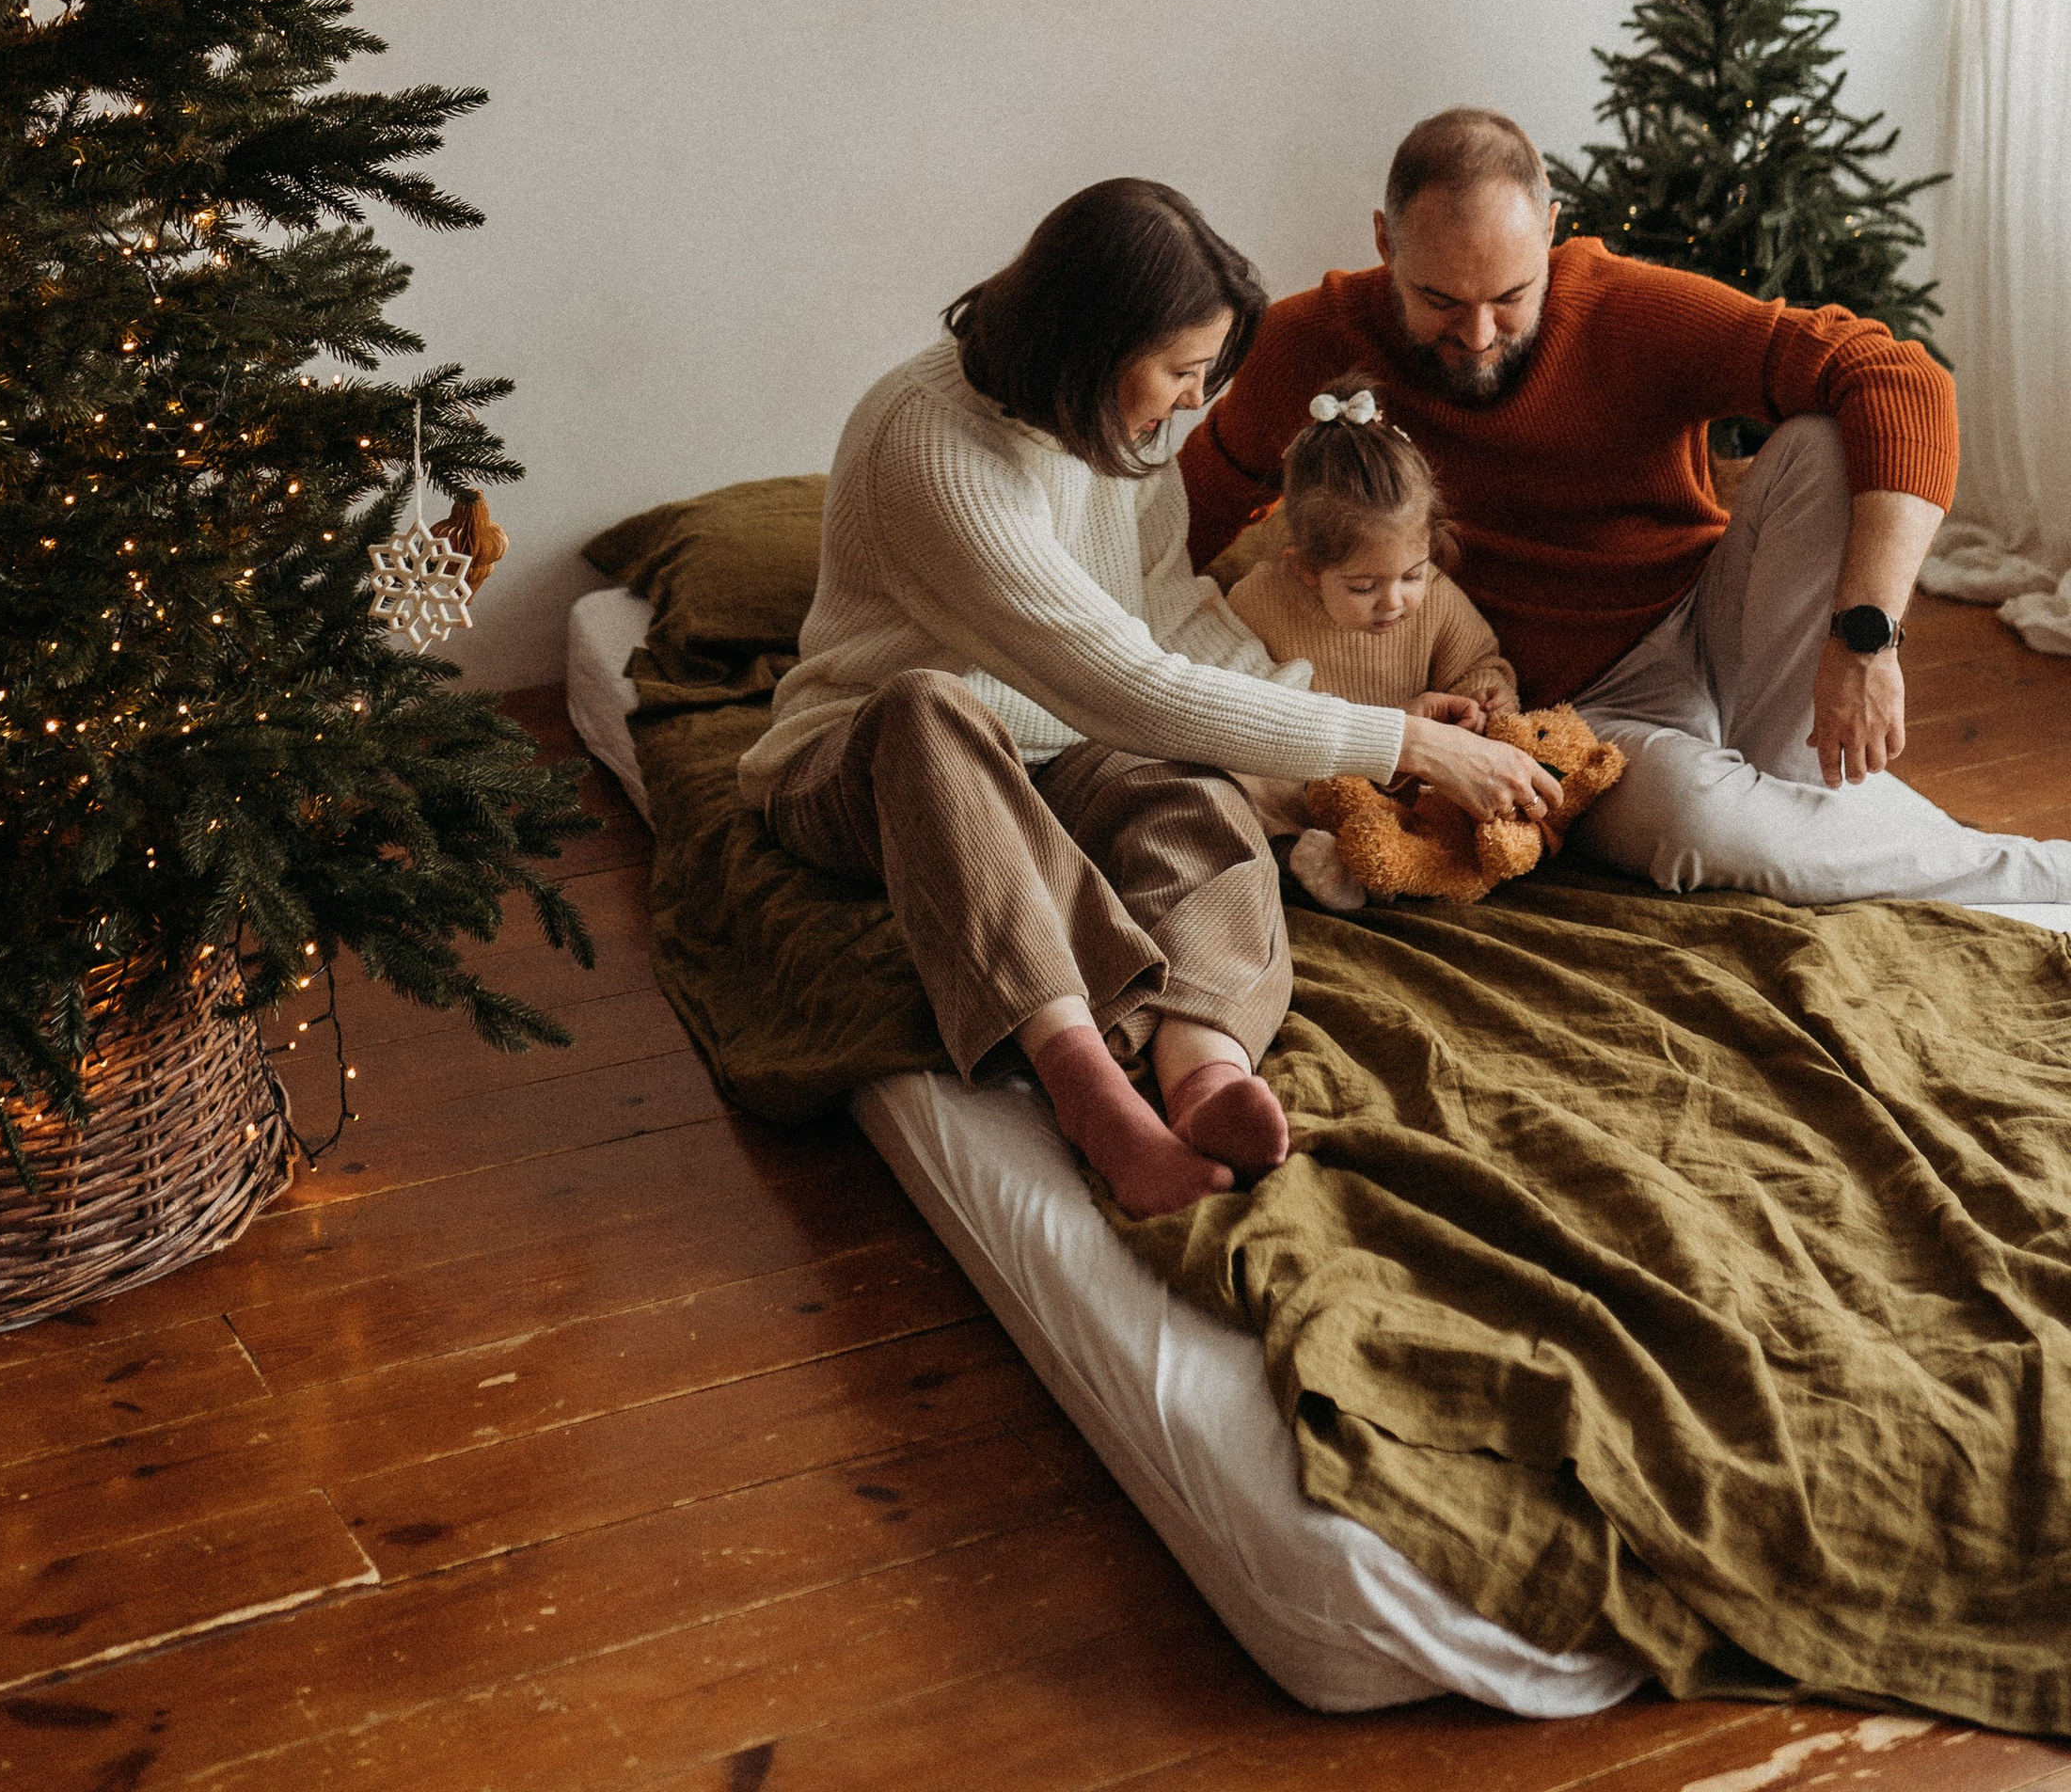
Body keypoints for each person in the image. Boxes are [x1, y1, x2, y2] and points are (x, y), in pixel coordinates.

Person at [740, 178, 1561, 1216]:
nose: (1191, 400)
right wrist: (1395, 742)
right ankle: (1093, 1099)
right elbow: (1127, 684)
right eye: (1179, 371)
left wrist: (1324, 720)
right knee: (926, 705)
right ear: (1090, 347)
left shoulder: (1113, 435)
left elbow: (1167, 619)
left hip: (1071, 748)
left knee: (1200, 797)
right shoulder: (930, 448)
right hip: (868, 765)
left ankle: (1203, 1063)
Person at [1181, 107, 2071, 909]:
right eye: (1439, 301)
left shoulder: (1624, 308)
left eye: (1511, 297)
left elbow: (1898, 376)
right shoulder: (1309, 342)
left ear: (1553, 236)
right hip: (1569, 718)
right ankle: (2025, 877)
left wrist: (1865, 638)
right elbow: (1182, 519)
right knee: (1700, 828)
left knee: (1829, 438)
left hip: (1711, 623)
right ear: (1385, 243)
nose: (1479, 336)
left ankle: (1799, 792)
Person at [1208, 384, 1519, 722]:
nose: (1394, 602)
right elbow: (1234, 710)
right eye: (1363, 586)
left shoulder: (1436, 596)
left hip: (1423, 770)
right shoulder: (1257, 605)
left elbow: (1476, 664)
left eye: (1412, 575)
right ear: (1308, 568)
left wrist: (1484, 695)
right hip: (1306, 769)